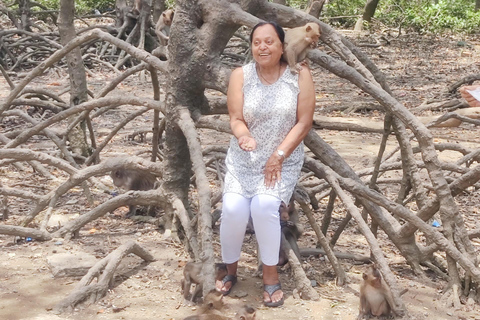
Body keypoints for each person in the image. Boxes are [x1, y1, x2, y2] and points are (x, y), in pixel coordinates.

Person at [216, 21, 315, 307]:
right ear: (251, 46)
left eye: (269, 41)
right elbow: (235, 118)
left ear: (282, 46)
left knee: (264, 206)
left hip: (282, 160)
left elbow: (304, 122)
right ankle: (230, 268)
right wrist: (243, 135)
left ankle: (270, 275)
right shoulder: (241, 75)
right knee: (233, 209)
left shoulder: (299, 74)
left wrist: (279, 155)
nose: (263, 47)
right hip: (244, 158)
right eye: (257, 42)